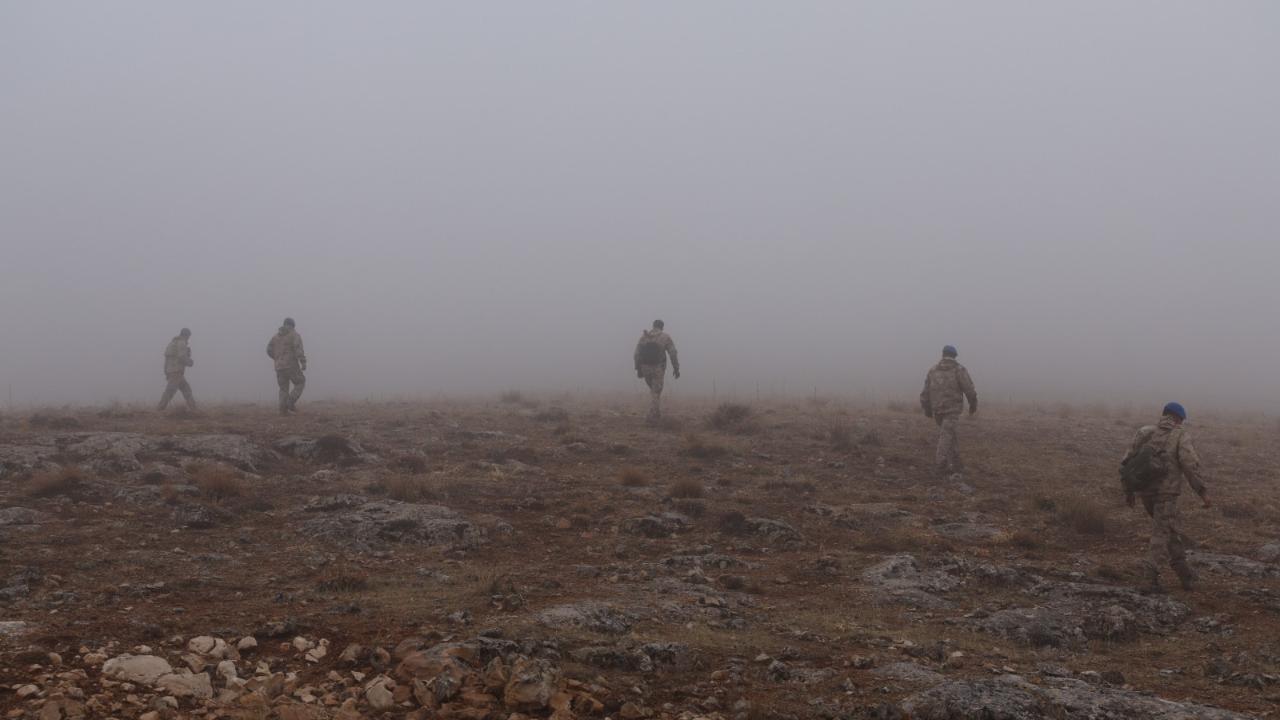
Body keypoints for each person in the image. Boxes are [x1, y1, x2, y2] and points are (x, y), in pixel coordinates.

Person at [1120, 402, 1211, 592]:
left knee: (1169, 531)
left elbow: (1127, 463)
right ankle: (1149, 579)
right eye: (1182, 420)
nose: (1182, 423)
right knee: (1161, 534)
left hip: (1146, 493)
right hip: (1166, 495)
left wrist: (1128, 491)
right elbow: (1190, 465)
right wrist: (1202, 492)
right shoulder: (1180, 435)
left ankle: (1186, 575)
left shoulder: (1144, 432)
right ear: (1178, 418)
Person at [919, 345, 977, 479]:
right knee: (946, 436)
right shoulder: (959, 370)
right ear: (955, 356)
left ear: (942, 354)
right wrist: (973, 404)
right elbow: (969, 389)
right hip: (952, 410)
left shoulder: (932, 370)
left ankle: (957, 465)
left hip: (937, 410)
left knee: (950, 434)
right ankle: (940, 465)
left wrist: (927, 408)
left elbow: (925, 392)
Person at [633, 319, 680, 424]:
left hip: (645, 369)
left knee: (654, 392)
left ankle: (656, 414)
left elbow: (636, 354)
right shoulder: (665, 337)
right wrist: (676, 368)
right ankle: (652, 418)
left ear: (653, 326)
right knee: (656, 392)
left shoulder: (644, 337)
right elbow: (673, 353)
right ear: (662, 327)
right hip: (658, 368)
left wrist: (638, 369)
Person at [267, 318, 306, 415]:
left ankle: (282, 411)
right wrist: (303, 361)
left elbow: (268, 349)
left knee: (283, 388)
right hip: (291, 365)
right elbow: (298, 349)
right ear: (293, 325)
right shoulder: (294, 335)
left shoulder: (275, 337)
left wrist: (277, 358)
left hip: (279, 367)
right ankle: (290, 402)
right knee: (300, 382)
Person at [157, 328, 196, 412]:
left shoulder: (172, 343)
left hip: (172, 371)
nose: (188, 339)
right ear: (186, 335)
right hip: (177, 371)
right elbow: (182, 357)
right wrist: (190, 362)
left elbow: (166, 359)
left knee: (186, 389)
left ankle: (194, 409)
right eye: (188, 336)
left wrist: (166, 372)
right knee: (170, 391)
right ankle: (159, 409)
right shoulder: (181, 343)